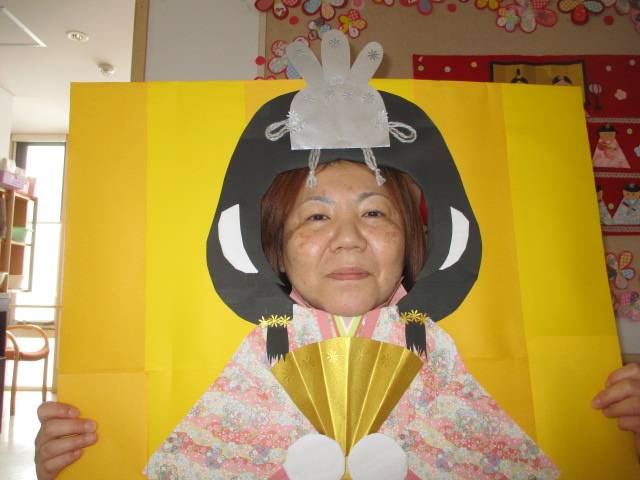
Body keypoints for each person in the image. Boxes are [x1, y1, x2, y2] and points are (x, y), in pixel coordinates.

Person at [35, 161, 640, 479]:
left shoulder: (438, 345)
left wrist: (622, 446)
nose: (348, 239)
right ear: (276, 251)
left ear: (409, 243)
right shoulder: (253, 347)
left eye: (375, 213)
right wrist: (84, 464)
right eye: (316, 217)